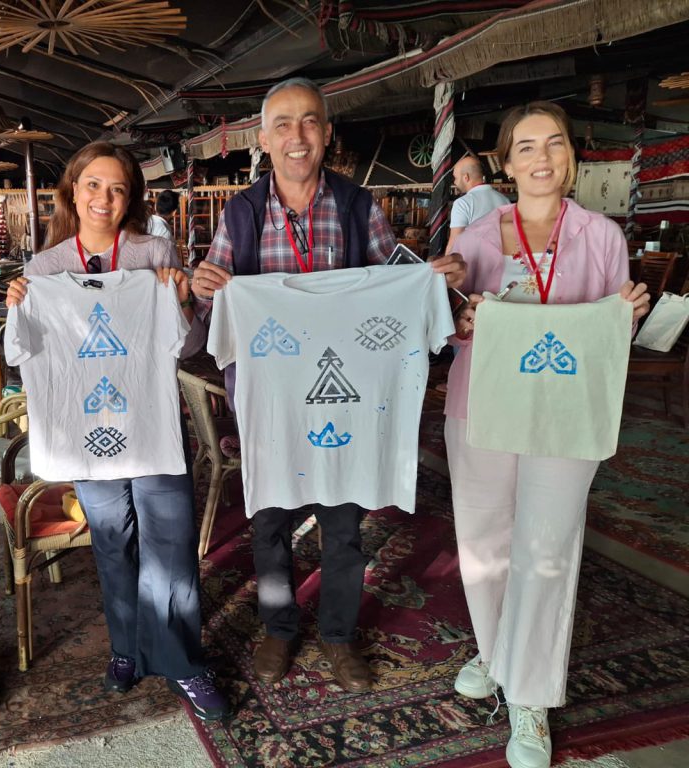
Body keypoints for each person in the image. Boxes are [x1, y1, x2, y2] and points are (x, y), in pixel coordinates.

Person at [191, 77, 467, 692]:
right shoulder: (240, 212)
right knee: (269, 517)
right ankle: (278, 628)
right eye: (283, 124)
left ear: (327, 133)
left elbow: (392, 276)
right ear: (263, 139)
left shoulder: (356, 204)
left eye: (310, 122)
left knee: (343, 520)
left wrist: (432, 281)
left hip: (343, 397)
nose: (298, 136)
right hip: (271, 396)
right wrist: (204, 288)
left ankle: (340, 638)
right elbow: (216, 308)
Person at [446, 102, 650, 768]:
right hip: (481, 403)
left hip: (565, 409)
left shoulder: (601, 237)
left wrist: (627, 315)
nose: (541, 158)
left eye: (554, 144)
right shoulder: (473, 241)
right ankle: (494, 646)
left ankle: (528, 696)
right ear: (506, 163)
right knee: (482, 538)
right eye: (525, 147)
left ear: (571, 157)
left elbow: (606, 342)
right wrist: (460, 314)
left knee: (545, 543)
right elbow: (444, 332)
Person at [5, 142, 230, 721]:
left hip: (152, 423)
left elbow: (187, 347)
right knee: (112, 542)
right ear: (73, 191)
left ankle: (182, 661)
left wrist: (179, 302)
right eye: (93, 185)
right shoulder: (46, 269)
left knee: (171, 543)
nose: (104, 198)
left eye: (118, 188)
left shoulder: (153, 252)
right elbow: (22, 352)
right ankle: (126, 648)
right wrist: (21, 305)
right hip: (88, 432)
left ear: (130, 199)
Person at [445, 155, 510, 256]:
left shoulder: (463, 203)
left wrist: (445, 268)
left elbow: (454, 245)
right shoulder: (505, 200)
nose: (454, 182)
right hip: (502, 264)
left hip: (475, 265)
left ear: (466, 177)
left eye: (456, 178)